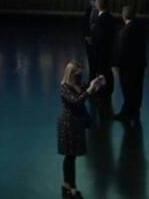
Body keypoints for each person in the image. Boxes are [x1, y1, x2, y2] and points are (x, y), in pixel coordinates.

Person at [57, 60, 106, 197]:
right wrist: (89, 90)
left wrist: (96, 85)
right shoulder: (65, 88)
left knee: (72, 157)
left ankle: (68, 184)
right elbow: (76, 101)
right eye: (77, 74)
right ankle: (70, 185)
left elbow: (91, 95)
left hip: (77, 124)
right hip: (68, 125)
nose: (79, 77)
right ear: (70, 74)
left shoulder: (78, 85)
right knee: (70, 156)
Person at [114, 5, 147, 126]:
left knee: (128, 90)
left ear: (124, 15)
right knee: (137, 90)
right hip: (140, 64)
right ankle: (134, 112)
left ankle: (127, 113)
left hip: (127, 67)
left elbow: (122, 50)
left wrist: (117, 64)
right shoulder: (140, 27)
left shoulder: (125, 31)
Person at [85, 0, 118, 107]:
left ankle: (104, 93)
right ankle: (105, 92)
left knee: (103, 72)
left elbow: (101, 36)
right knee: (106, 71)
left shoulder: (102, 18)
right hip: (106, 50)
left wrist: (93, 41)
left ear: (99, 5)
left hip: (101, 51)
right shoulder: (110, 17)